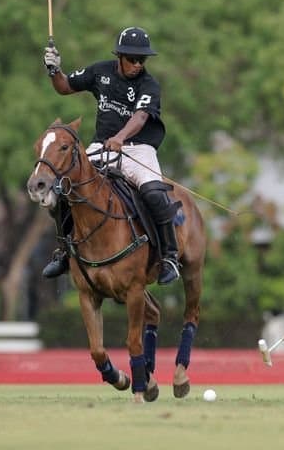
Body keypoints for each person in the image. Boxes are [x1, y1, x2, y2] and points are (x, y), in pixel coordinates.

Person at [41, 27, 181, 284]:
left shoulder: (149, 84)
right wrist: (54, 70)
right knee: (64, 188)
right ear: (120, 56)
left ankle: (169, 257)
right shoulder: (100, 71)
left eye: (142, 60)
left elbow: (140, 117)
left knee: (154, 193)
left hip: (138, 148)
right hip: (102, 146)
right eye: (132, 59)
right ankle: (63, 251)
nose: (137, 65)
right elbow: (65, 87)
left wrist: (121, 137)